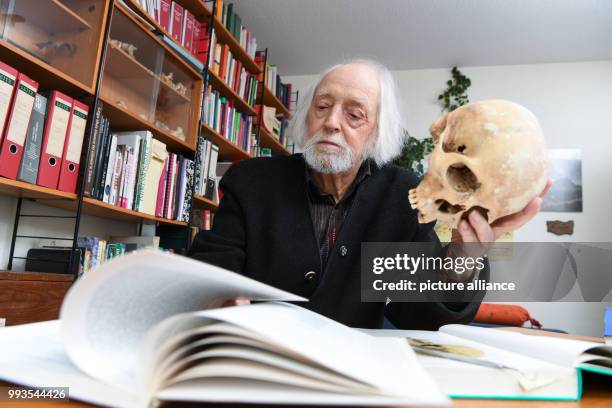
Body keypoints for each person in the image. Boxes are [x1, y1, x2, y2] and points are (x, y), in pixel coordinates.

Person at [188, 59, 551, 329]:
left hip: (353, 375)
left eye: (354, 114)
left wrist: (464, 257)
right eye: (323, 106)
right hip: (258, 363)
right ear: (307, 117)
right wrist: (217, 294)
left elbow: (417, 314)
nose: (332, 122)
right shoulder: (251, 180)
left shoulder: (402, 194)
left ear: (377, 133)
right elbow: (213, 261)